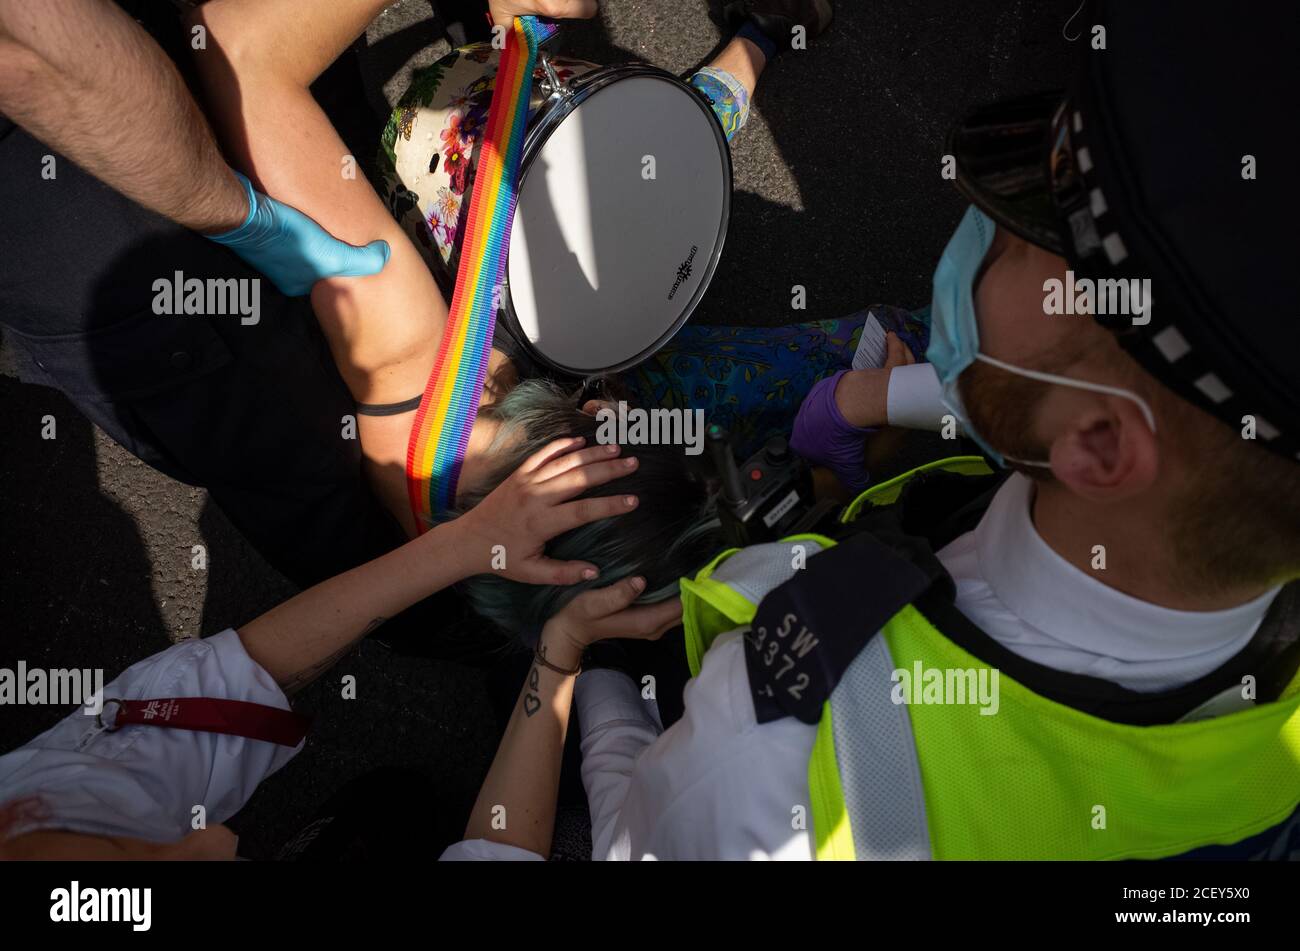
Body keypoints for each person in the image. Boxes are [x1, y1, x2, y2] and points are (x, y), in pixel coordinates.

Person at [443, 0, 1300, 860]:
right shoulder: (1210, 520)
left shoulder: (771, 755)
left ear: (1101, 446)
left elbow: (635, 834)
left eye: (1027, 239)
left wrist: (599, 681)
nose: (984, 234)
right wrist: (884, 411)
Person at [187, 0, 836, 544]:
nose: (614, 413)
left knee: (664, 155)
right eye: (625, 430)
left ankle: (761, 33)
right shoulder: (472, 518)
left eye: (605, 433)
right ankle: (762, 33)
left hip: (442, 186)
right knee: (846, 345)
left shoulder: (411, 374)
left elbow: (238, 56)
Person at [0, 436, 642, 859]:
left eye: (124, 847)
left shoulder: (43, 802)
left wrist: (471, 543)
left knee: (382, 816)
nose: (217, 840)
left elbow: (233, 684)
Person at [0, 0, 395, 588]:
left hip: (155, 71)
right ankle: (433, 610)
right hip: (91, 178)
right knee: (302, 457)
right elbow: (31, 49)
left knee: (340, 379)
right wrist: (242, 219)